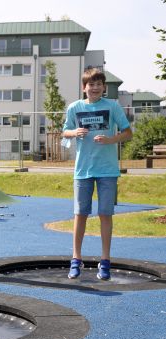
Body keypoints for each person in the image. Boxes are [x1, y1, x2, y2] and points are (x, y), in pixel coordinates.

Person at [62, 68, 132, 281]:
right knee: (80, 214)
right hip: (83, 171)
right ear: (84, 87)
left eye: (99, 84)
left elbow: (128, 133)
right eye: (91, 84)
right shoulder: (75, 107)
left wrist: (110, 139)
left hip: (108, 170)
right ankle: (76, 259)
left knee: (105, 214)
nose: (95, 88)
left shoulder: (112, 106)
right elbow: (65, 132)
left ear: (104, 87)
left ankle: (105, 261)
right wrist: (75, 132)